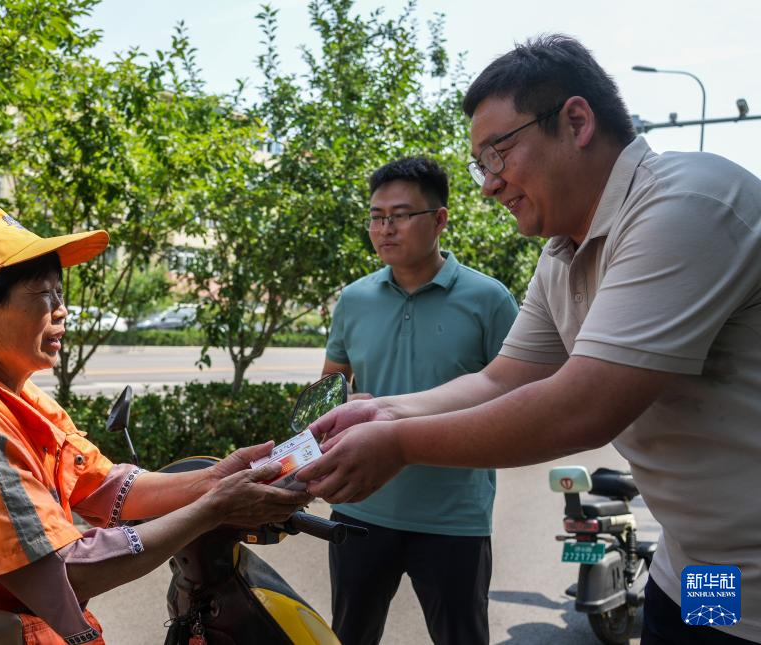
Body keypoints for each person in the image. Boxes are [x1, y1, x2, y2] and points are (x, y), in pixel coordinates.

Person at [298, 35, 761, 644]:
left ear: (576, 121)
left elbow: (585, 403)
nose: (488, 185)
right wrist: (379, 409)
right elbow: (501, 378)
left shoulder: (686, 201)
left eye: (498, 154)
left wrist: (398, 441)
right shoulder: (562, 253)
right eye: (480, 164)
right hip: (696, 568)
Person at [0, 208, 310, 645]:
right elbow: (68, 572)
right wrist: (213, 507)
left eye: (59, 293)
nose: (62, 310)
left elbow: (104, 488)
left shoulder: (17, 396)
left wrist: (214, 479)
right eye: (42, 295)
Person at [321, 157, 517, 645]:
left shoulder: (489, 300)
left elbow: (515, 396)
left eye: (401, 214)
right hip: (360, 507)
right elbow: (329, 388)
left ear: (440, 219)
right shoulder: (354, 299)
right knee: (347, 636)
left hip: (453, 516)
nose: (385, 228)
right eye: (376, 215)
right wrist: (341, 403)